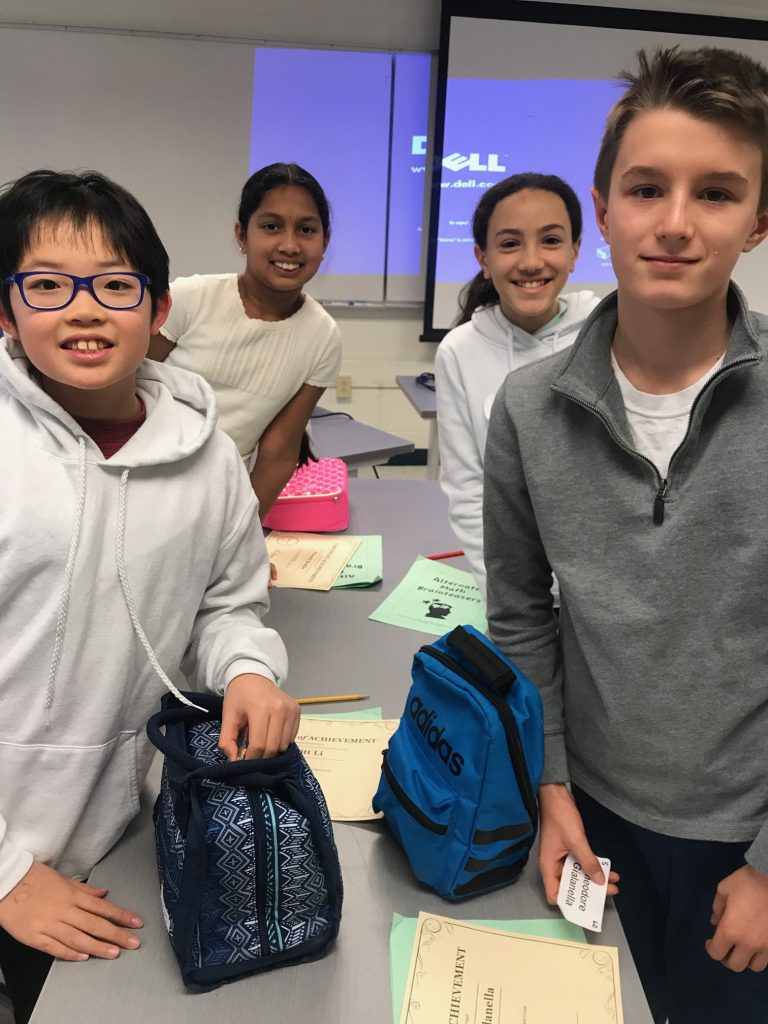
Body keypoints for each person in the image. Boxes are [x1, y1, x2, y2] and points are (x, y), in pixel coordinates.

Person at [483, 47, 768, 1024]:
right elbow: (520, 613)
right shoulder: (529, 407)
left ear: (760, 220)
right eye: (647, 188)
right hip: (589, 813)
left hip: (742, 841)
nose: (677, 223)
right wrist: (549, 786)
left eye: (718, 192)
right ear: (602, 206)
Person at [0, 169, 300, 1024]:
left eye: (117, 285)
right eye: (48, 285)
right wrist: (8, 877)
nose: (85, 309)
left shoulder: (203, 455)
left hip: (119, 837)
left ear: (159, 310)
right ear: (5, 311)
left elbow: (228, 601)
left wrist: (245, 670)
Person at [434, 173, 599, 591]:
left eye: (551, 240)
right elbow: (469, 490)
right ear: (483, 259)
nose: (530, 261)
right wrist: (509, 597)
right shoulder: (458, 351)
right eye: (509, 243)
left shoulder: (608, 335)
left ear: (576, 251)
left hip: (602, 586)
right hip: (511, 591)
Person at [148, 162, 342, 517]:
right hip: (141, 478)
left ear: (324, 241)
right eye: (271, 226)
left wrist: (240, 537)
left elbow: (279, 454)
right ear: (242, 235)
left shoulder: (323, 336)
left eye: (306, 229)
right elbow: (120, 385)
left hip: (216, 496)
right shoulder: (189, 299)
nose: (289, 245)